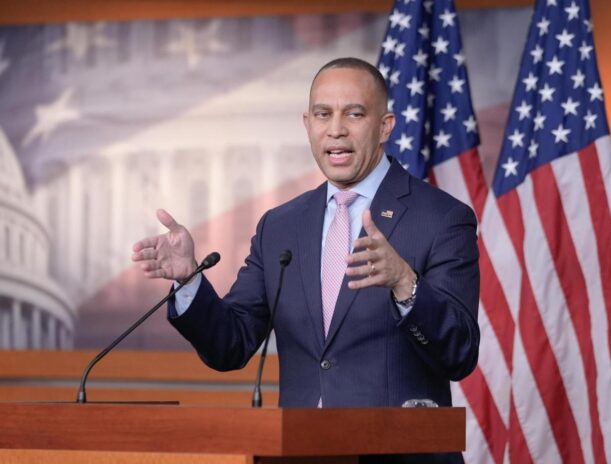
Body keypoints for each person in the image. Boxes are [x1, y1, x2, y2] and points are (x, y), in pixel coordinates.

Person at [132, 57, 479, 463]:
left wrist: (406, 283)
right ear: (307, 124)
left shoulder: (441, 218)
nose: (336, 129)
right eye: (323, 114)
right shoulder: (280, 226)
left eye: (354, 114)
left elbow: (460, 354)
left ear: (385, 126)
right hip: (299, 453)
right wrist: (189, 279)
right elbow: (230, 345)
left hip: (398, 455)